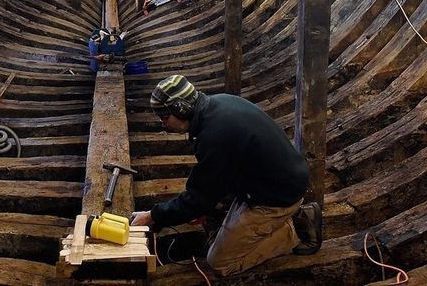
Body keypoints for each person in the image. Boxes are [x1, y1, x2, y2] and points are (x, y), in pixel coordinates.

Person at [130, 75, 321, 276]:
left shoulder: (214, 135)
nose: (162, 124)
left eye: (164, 117)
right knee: (211, 210)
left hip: (276, 197)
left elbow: (199, 197)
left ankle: (297, 227)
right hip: (270, 180)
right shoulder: (218, 103)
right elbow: (216, 178)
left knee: (219, 262)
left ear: (181, 109)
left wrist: (153, 216)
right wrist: (206, 205)